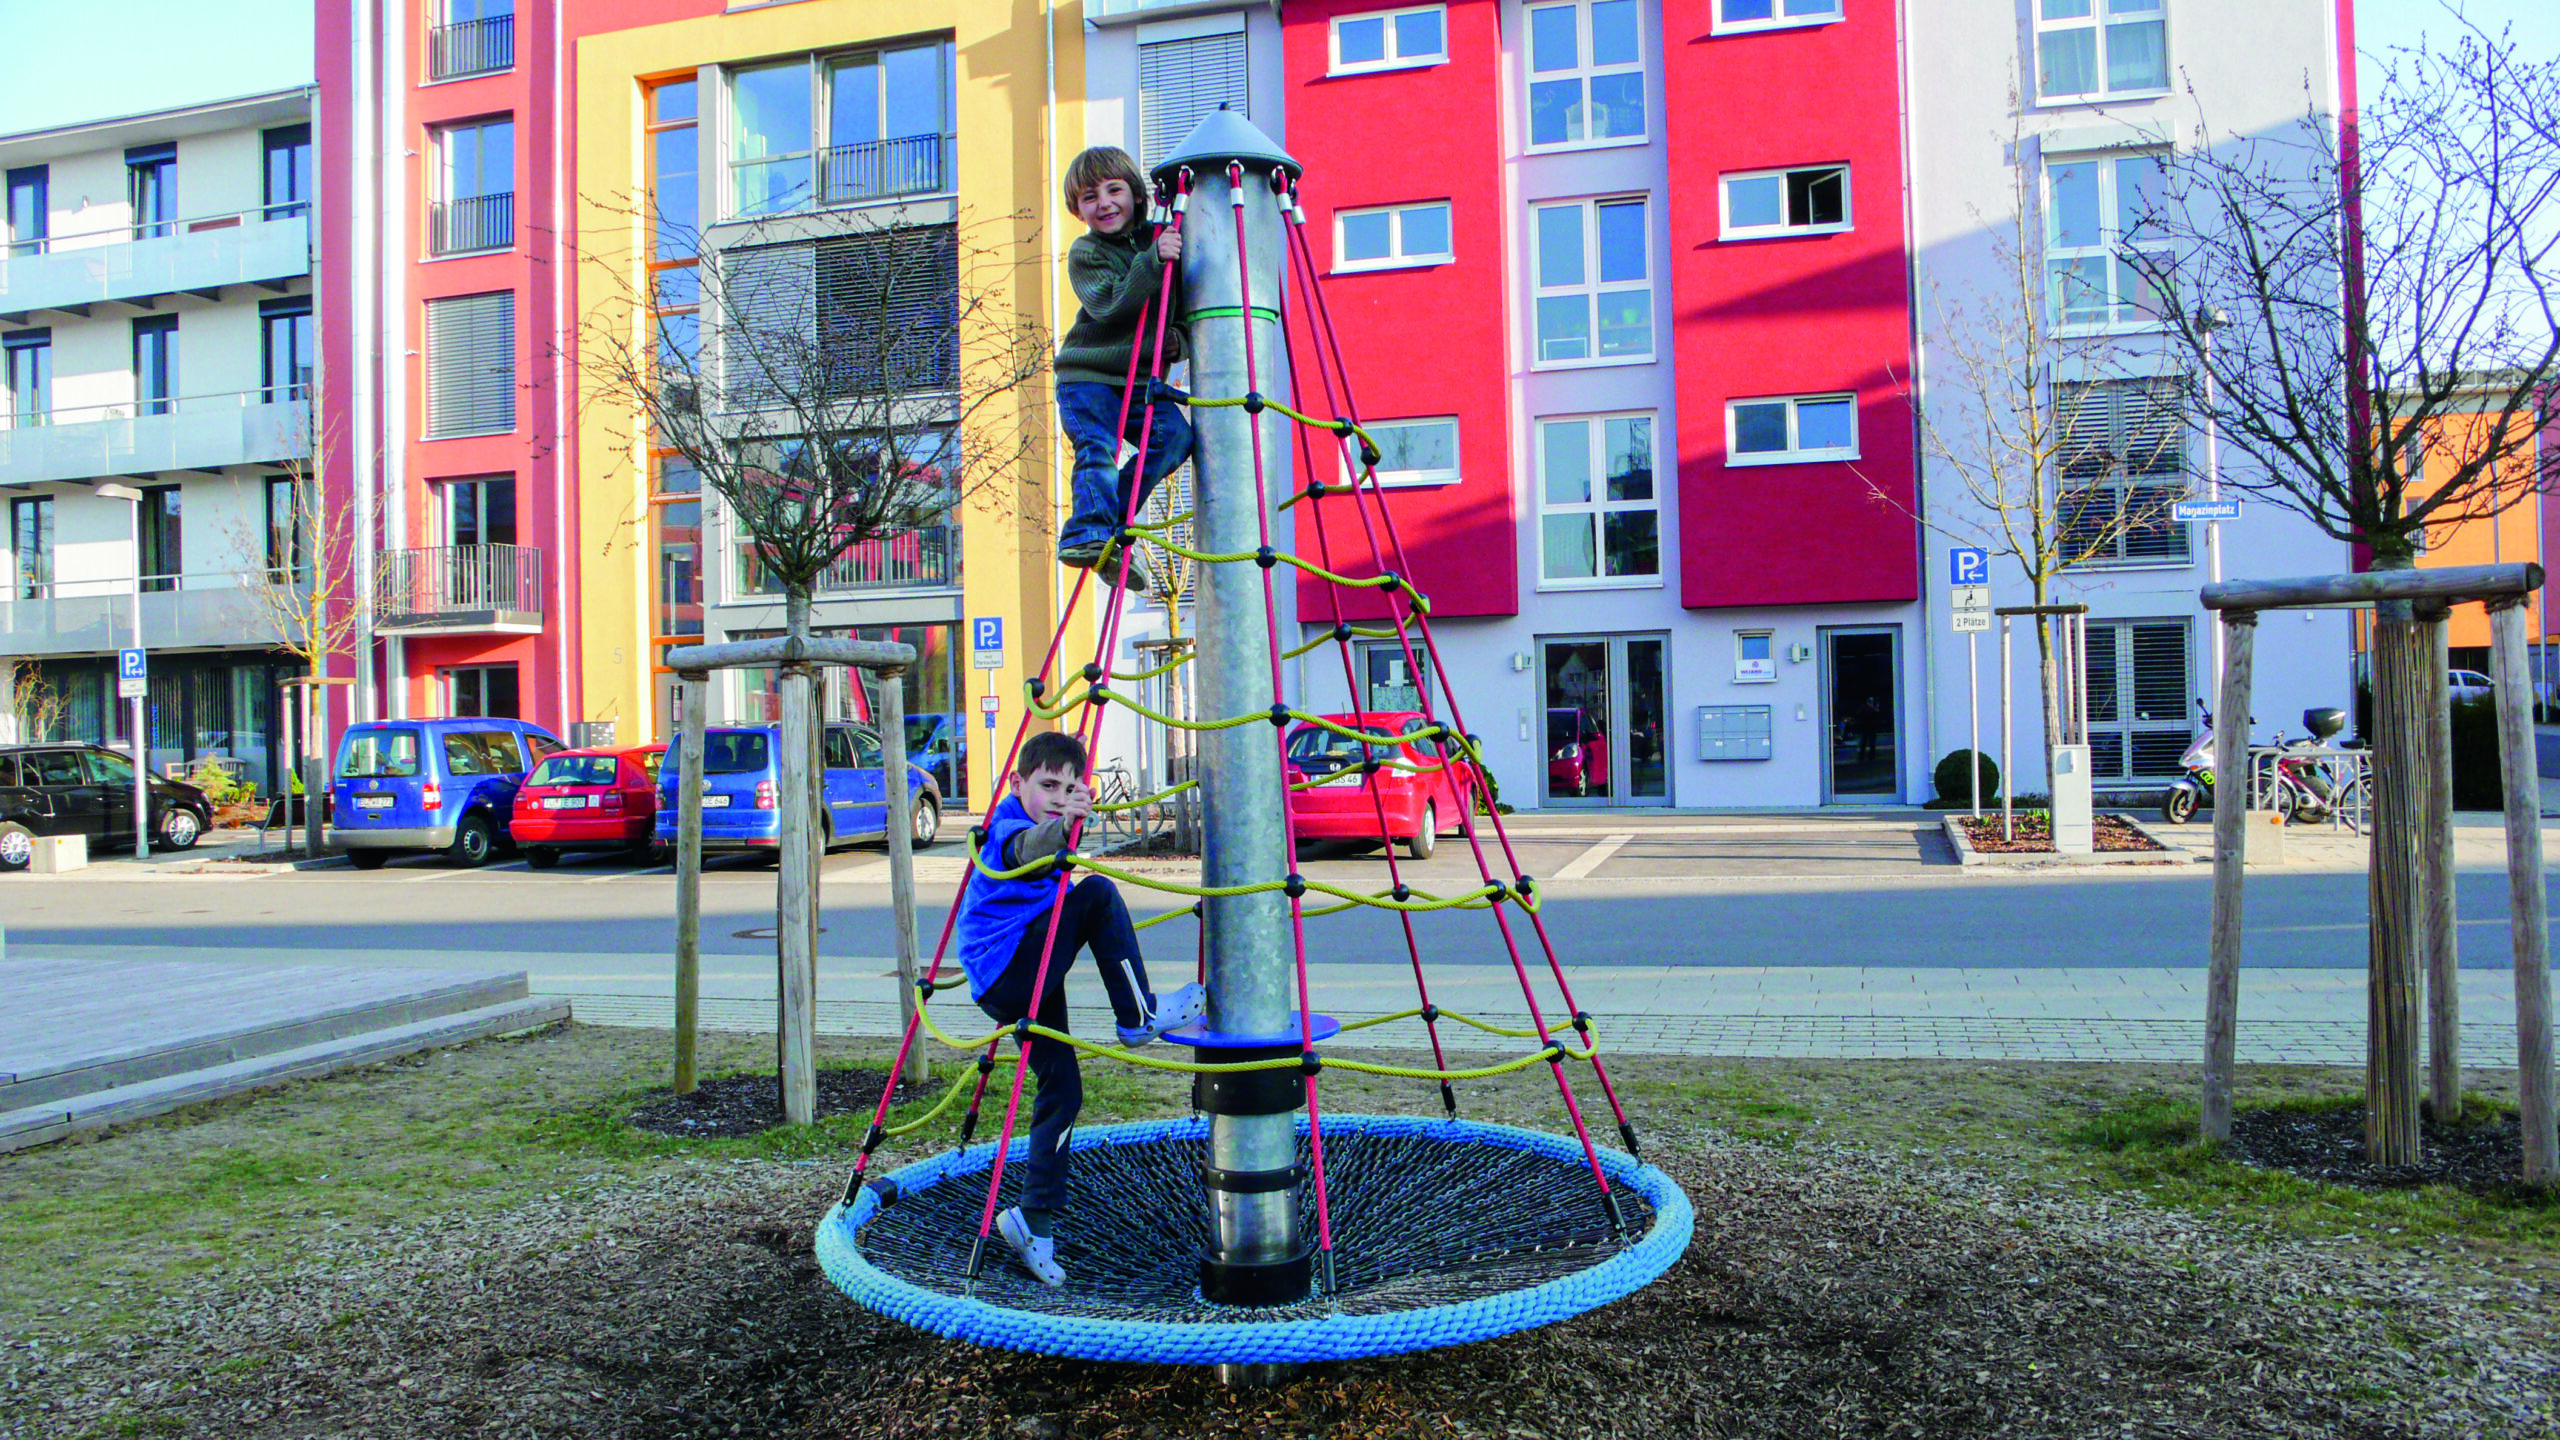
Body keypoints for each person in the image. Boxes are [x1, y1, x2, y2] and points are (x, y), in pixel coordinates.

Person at [954, 729, 1206, 1285]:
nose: (1058, 794)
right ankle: (1139, 1017)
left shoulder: (1051, 822)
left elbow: (1055, 844)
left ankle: (1033, 1223)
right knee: (1096, 895)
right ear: (1017, 783)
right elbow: (1033, 847)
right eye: (1047, 785)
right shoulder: (1006, 826)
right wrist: (1065, 823)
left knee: (1063, 1088)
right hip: (1014, 968)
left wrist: (1073, 820)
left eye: (1071, 787)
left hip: (1030, 966)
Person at [1053, 145, 1191, 593]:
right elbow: (1109, 303)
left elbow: (1185, 306)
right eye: (1090, 197)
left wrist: (1179, 341)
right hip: (1089, 376)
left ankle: (1107, 529)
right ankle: (1087, 533)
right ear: (1078, 210)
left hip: (1139, 382)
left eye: (1114, 190)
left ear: (1135, 193)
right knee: (1097, 448)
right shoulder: (1086, 252)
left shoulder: (1164, 236)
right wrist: (1152, 261)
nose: (1104, 203)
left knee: (1174, 439)